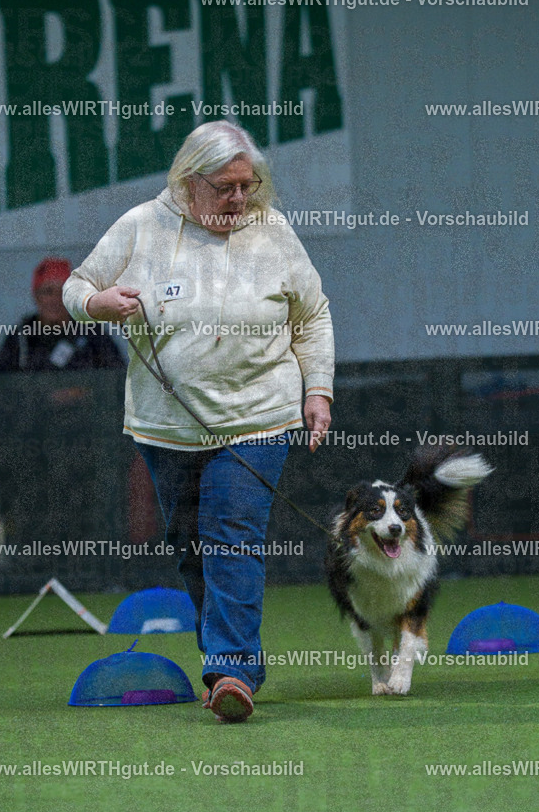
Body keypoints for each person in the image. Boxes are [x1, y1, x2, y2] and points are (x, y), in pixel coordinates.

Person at [63, 121, 335, 723]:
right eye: (226, 187)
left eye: (249, 185)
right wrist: (97, 303)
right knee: (189, 547)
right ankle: (227, 656)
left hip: (259, 418)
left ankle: (232, 668)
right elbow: (76, 287)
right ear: (190, 181)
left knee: (230, 533)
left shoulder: (274, 233)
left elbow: (312, 316)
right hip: (168, 426)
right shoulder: (140, 227)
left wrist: (318, 390)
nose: (240, 199)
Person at [0, 257, 124, 373]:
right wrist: (46, 395)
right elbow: (3, 388)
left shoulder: (93, 334)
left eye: (63, 292)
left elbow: (117, 381)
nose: (55, 299)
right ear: (36, 296)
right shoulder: (21, 338)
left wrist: (86, 392)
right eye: (48, 291)